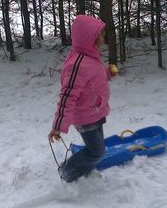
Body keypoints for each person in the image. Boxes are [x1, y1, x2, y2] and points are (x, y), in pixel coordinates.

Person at [48, 14, 117, 182]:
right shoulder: (77, 64)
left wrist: (108, 73)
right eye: (99, 35)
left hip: (96, 112)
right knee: (97, 152)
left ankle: (84, 169)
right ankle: (66, 173)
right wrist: (58, 125)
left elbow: (92, 81)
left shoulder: (91, 58)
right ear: (88, 38)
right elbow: (67, 97)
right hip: (85, 117)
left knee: (96, 149)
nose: (102, 39)